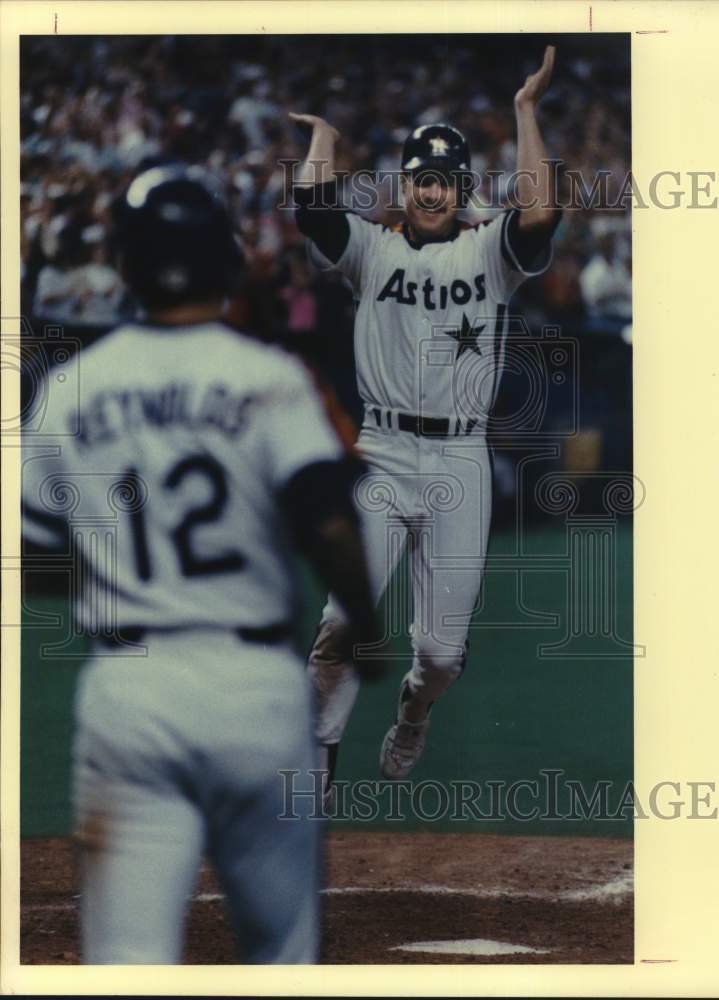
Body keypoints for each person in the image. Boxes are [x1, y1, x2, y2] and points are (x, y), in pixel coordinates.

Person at [21, 165, 385, 964]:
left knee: (126, 961)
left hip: (129, 689)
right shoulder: (268, 379)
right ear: (226, 263)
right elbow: (327, 522)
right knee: (281, 951)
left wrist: (116, 573)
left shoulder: (71, 388)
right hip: (254, 687)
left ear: (124, 268)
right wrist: (364, 625)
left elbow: (29, 555)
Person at [290, 46, 562, 786]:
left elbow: (538, 211)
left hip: (460, 460)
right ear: (403, 185)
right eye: (420, 180)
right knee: (341, 625)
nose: (432, 193)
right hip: (380, 450)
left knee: (440, 653)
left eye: (444, 181)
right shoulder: (370, 250)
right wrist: (325, 142)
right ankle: (312, 780)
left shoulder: (488, 253)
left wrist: (524, 111)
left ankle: (414, 710)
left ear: (460, 187)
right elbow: (311, 210)